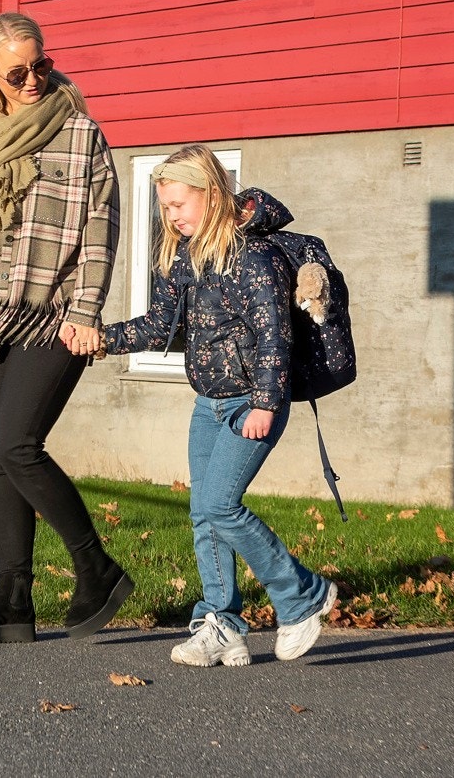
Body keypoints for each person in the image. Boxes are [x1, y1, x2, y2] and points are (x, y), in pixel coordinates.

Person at [0, 11, 133, 644]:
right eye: (19, 70)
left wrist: (87, 312)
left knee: (17, 445)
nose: (36, 77)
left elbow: (101, 233)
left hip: (53, 314)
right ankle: (12, 599)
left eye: (42, 62)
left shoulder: (80, 134)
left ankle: (96, 567)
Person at [93, 144, 337, 666]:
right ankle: (221, 624)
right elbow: (161, 326)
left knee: (221, 505)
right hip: (209, 403)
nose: (172, 216)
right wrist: (102, 338)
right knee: (204, 514)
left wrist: (267, 404)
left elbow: (275, 337)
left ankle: (302, 597)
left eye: (179, 204)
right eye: (165, 208)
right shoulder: (183, 256)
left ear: (211, 192)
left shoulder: (254, 256)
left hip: (253, 401)